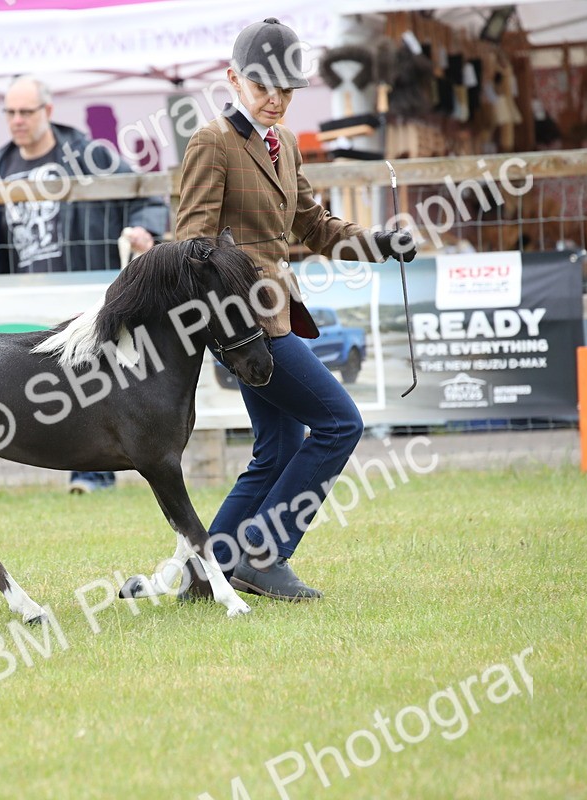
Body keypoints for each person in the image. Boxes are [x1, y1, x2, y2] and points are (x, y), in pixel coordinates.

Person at [174, 18, 416, 600]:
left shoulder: (284, 148)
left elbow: (314, 225)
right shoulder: (213, 142)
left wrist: (380, 243)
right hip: (244, 328)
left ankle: (208, 573)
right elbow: (191, 245)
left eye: (287, 89)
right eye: (264, 87)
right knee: (341, 423)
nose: (277, 99)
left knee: (278, 448)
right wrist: (229, 322)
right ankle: (264, 552)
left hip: (278, 317)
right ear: (233, 80)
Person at [0, 76, 168, 494]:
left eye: (26, 111)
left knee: (91, 381)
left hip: (83, 291)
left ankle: (93, 473)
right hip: (20, 296)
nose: (17, 120)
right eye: (10, 112)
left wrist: (144, 229)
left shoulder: (88, 156)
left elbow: (146, 194)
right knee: (38, 387)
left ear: (48, 111)